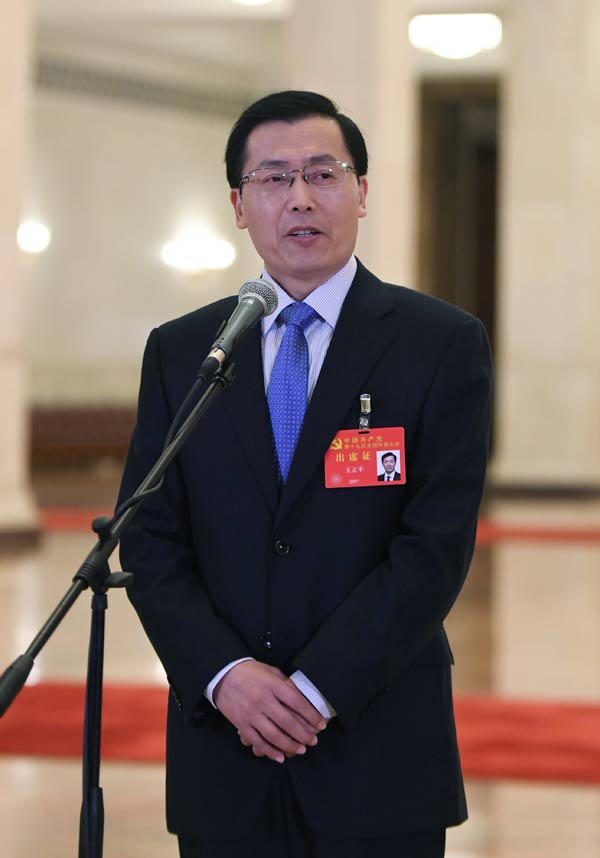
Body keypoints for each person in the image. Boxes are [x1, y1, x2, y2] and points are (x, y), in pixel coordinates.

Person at [118, 90, 492, 858]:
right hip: (224, 747)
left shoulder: (439, 344)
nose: (299, 198)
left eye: (323, 174)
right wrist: (225, 675)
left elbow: (434, 548)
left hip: (377, 744)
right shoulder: (183, 351)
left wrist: (316, 688)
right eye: (273, 178)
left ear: (362, 192)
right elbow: (149, 536)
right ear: (238, 205)